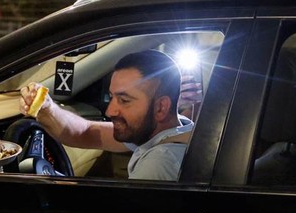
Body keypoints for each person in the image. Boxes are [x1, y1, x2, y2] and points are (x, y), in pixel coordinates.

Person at [19, 49, 193, 181]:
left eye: (124, 100)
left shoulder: (158, 164)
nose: (110, 111)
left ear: (161, 107)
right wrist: (47, 108)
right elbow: (86, 132)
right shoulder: (176, 128)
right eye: (112, 97)